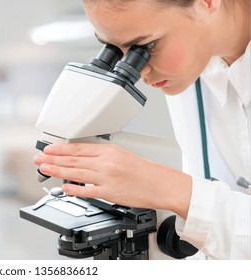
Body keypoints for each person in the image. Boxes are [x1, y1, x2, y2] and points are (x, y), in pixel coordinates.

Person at [33, 0, 250, 259]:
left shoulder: (188, 58)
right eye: (115, 49)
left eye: (146, 47)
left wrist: (169, 189)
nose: (141, 70)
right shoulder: (195, 63)